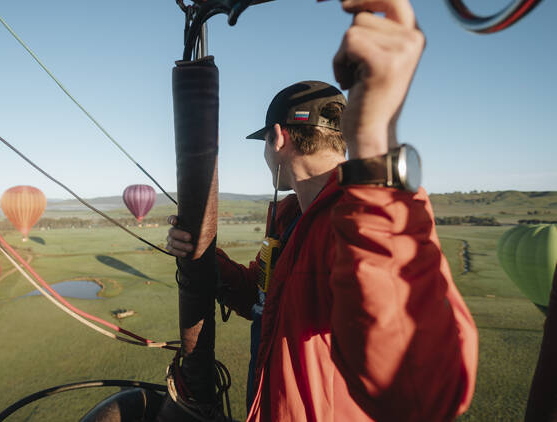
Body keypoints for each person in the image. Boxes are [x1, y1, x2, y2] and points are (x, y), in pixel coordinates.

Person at [166, 0, 479, 420]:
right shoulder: (293, 220)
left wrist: (374, 144)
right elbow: (263, 297)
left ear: (278, 139)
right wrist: (205, 257)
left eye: (263, 143)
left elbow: (422, 387)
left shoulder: (364, 220)